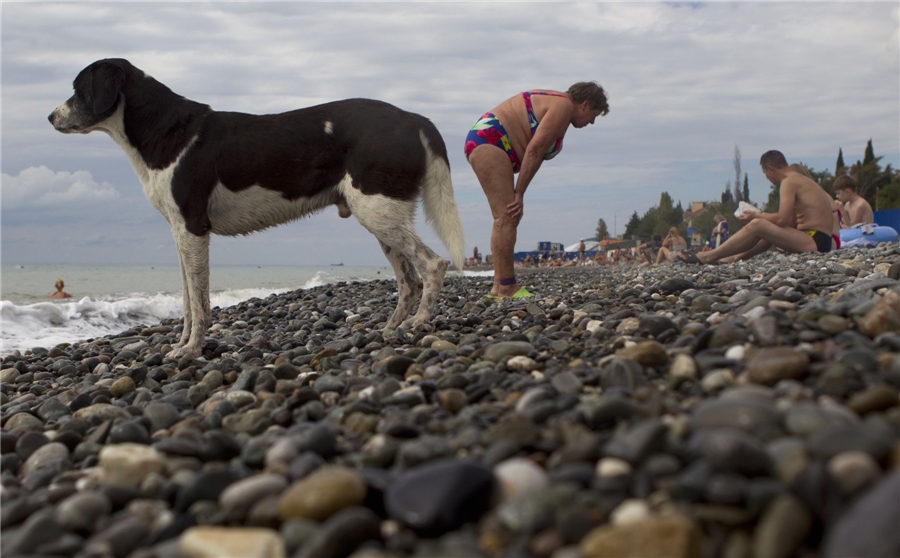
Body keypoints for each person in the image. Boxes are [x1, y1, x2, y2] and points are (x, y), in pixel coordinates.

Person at [466, 82, 609, 298]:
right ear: (585, 104)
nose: (591, 122)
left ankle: (499, 286)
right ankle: (506, 286)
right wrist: (519, 193)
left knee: (505, 217)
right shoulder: (563, 106)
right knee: (507, 216)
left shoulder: (558, 102)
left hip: (488, 138)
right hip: (491, 140)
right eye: (593, 115)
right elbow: (535, 150)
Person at [681, 150, 837, 264]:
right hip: (817, 238)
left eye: (765, 173)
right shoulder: (800, 180)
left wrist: (755, 215)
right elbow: (788, 222)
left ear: (771, 169)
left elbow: (782, 219)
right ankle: (733, 257)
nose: (767, 178)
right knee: (766, 227)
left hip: (815, 240)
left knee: (758, 224)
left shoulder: (789, 181)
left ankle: (709, 256)